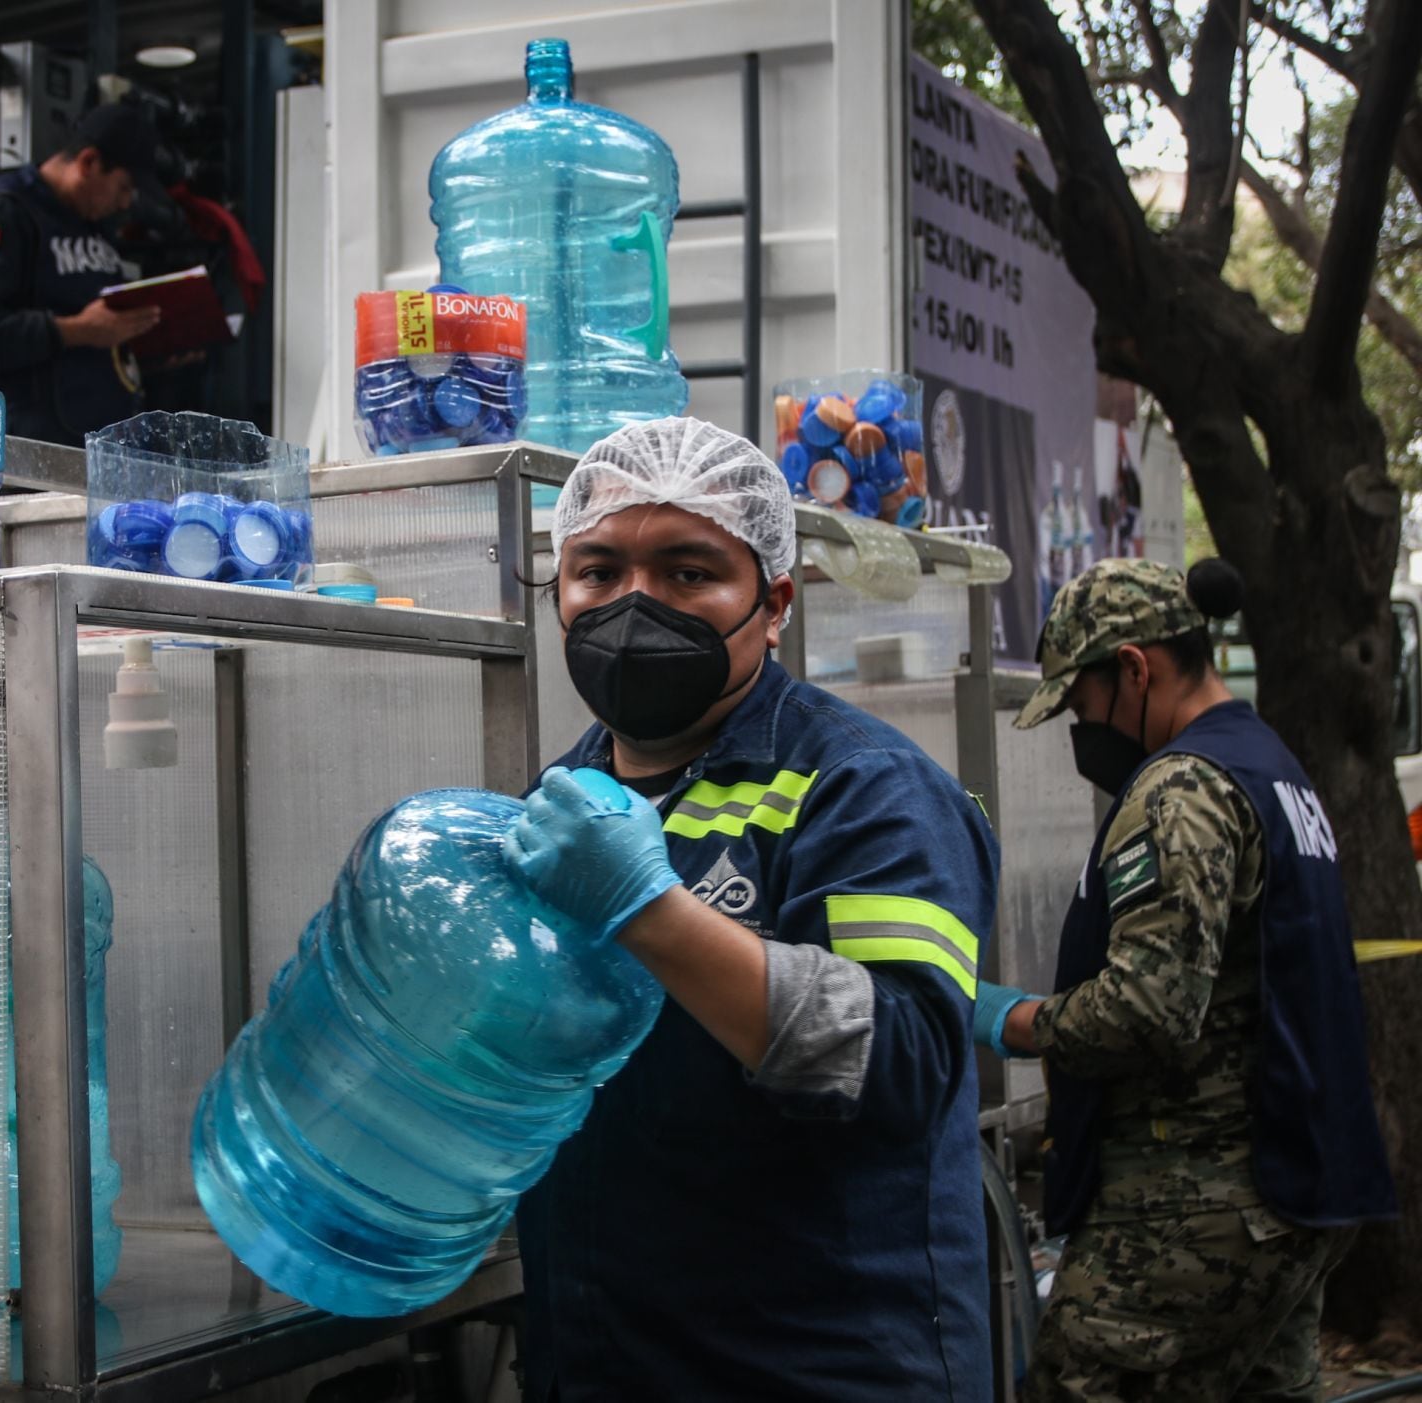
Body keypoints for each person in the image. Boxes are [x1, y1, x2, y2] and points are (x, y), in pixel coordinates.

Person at [502, 417, 998, 1400]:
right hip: (610, 1355)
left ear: (771, 604)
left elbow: (898, 1062)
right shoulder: (561, 797)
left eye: (688, 572)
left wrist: (651, 907)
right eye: (597, 570)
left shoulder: (865, 786)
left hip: (822, 1364)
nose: (634, 602)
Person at [976, 558, 1396, 1401]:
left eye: (1081, 704)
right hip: (1301, 1184)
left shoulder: (1182, 787)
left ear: (1135, 668)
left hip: (1199, 1203)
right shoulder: (1270, 766)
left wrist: (1009, 1018)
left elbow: (1148, 1007)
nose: (1079, 731)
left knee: (1079, 1382)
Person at [0, 103, 164, 444]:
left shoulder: (93, 220)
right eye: (124, 187)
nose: (126, 203)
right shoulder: (8, 210)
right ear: (89, 163)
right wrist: (74, 331)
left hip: (100, 451)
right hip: (33, 458)